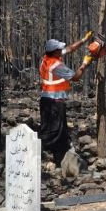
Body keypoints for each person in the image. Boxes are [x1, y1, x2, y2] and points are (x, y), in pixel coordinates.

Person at [39, 32, 94, 163]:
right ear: (54, 52)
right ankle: (43, 153)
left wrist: (83, 39)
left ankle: (57, 156)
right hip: (54, 102)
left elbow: (69, 49)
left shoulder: (46, 58)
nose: (61, 50)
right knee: (54, 131)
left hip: (47, 100)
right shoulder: (56, 66)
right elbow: (76, 77)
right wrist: (84, 63)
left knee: (55, 129)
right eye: (59, 49)